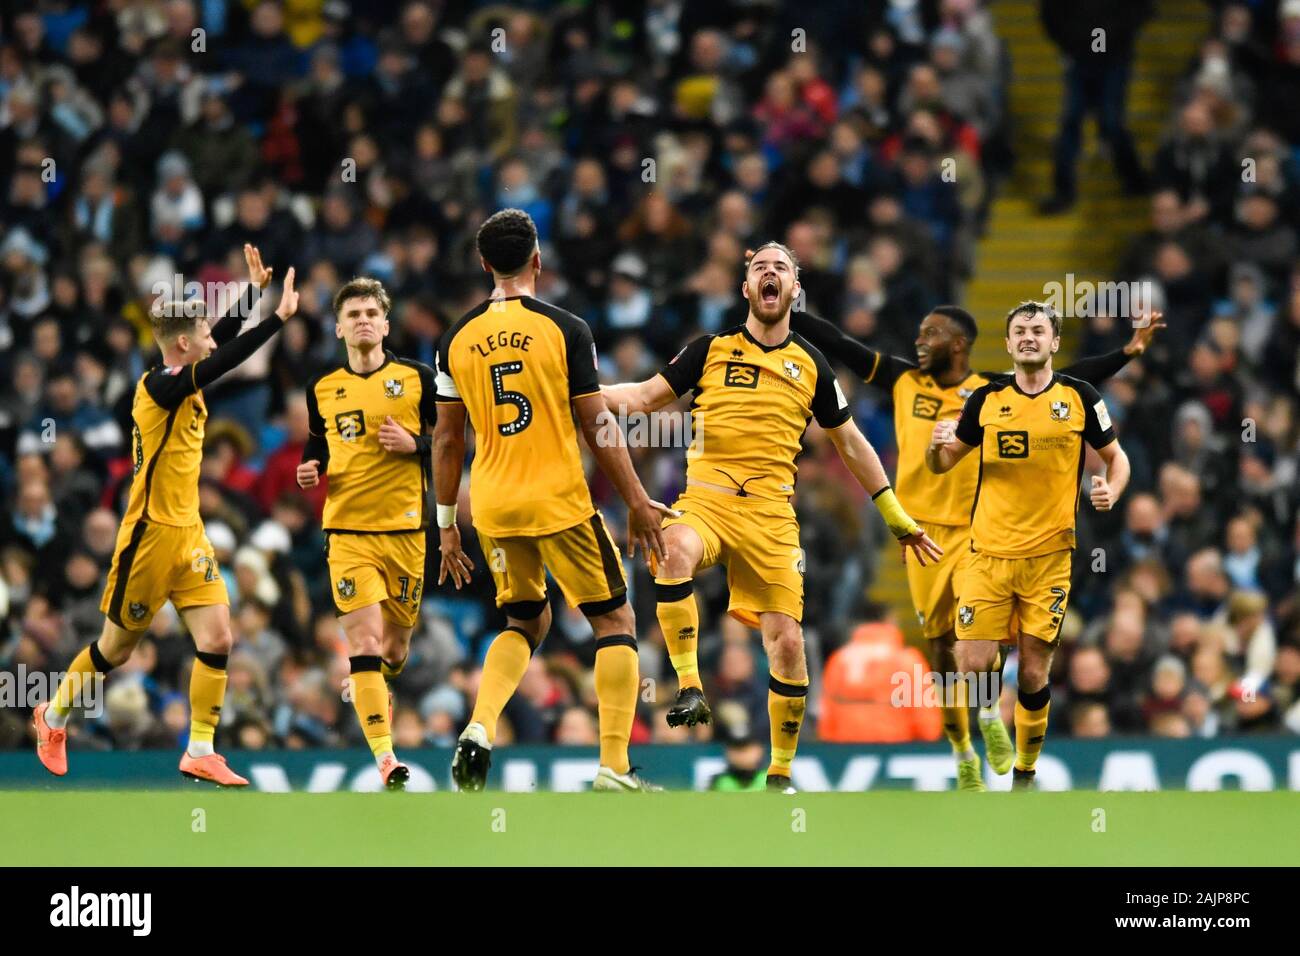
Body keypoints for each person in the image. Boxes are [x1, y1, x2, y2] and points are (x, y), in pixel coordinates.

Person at [602, 241, 942, 793]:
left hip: (771, 516)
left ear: (794, 289)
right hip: (708, 499)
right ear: (745, 288)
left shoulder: (811, 363)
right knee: (672, 550)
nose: (769, 273)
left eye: (780, 267)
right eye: (759, 266)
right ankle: (690, 685)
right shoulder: (709, 350)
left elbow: (852, 443)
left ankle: (780, 773)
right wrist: (580, 393)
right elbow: (642, 397)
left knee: (786, 641)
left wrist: (897, 516)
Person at [789, 306, 1162, 788]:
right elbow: (841, 343)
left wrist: (1127, 353)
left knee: (986, 649)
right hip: (921, 532)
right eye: (920, 332)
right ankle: (963, 746)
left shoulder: (991, 390)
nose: (920, 340)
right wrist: (793, 313)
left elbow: (1067, 378)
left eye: (932, 334)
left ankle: (990, 716)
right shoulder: (904, 381)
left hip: (976, 532)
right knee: (942, 650)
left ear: (959, 343)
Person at [34, 245, 295, 786]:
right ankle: (52, 715)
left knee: (218, 637)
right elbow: (224, 357)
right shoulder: (159, 387)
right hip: (150, 536)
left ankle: (200, 747)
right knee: (116, 648)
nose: (210, 338)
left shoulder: (181, 373)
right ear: (182, 344)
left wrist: (251, 292)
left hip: (189, 534)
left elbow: (215, 341)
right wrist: (276, 320)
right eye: (201, 332)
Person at [434, 208, 673, 792]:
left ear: (485, 264)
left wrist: (446, 526)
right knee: (614, 619)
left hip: (491, 505)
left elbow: (446, 439)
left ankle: (480, 725)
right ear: (538, 260)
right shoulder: (568, 329)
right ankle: (615, 767)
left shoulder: (453, 339)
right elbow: (598, 426)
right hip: (558, 501)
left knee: (525, 618)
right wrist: (639, 502)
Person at [927, 300, 1131, 789]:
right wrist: (936, 446)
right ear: (1009, 343)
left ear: (1055, 342)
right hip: (987, 554)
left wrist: (1111, 489)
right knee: (973, 663)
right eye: (1019, 330)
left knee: (1036, 671)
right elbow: (943, 463)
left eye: (1038, 330)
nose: (1028, 337)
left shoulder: (1081, 397)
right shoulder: (986, 398)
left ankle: (1024, 772)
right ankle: (990, 719)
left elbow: (1116, 459)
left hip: (1050, 559)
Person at [295, 276, 437, 790]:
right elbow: (318, 445)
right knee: (366, 643)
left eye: (371, 313)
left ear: (386, 324)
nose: (362, 321)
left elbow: (452, 446)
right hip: (347, 532)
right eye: (352, 314)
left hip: (405, 533)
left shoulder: (419, 379)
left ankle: (371, 684)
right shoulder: (323, 388)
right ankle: (386, 758)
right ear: (337, 327)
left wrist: (416, 444)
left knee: (394, 651)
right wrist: (309, 468)